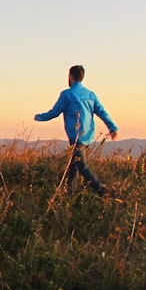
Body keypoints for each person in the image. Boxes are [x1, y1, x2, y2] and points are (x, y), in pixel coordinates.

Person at [34, 65, 118, 195]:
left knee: (81, 165)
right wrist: (112, 128)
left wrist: (39, 117)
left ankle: (101, 189)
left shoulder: (67, 94)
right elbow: (102, 111)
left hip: (76, 136)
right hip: (88, 135)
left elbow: (55, 112)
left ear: (70, 77)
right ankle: (70, 193)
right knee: (73, 165)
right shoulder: (90, 94)